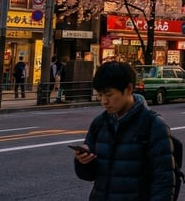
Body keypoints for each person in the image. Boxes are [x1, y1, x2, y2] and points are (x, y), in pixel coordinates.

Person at [73, 61, 176, 198]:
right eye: (100, 95)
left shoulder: (153, 125)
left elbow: (164, 182)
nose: (104, 101)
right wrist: (83, 161)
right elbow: (88, 175)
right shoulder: (99, 123)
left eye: (109, 95)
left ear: (129, 89)